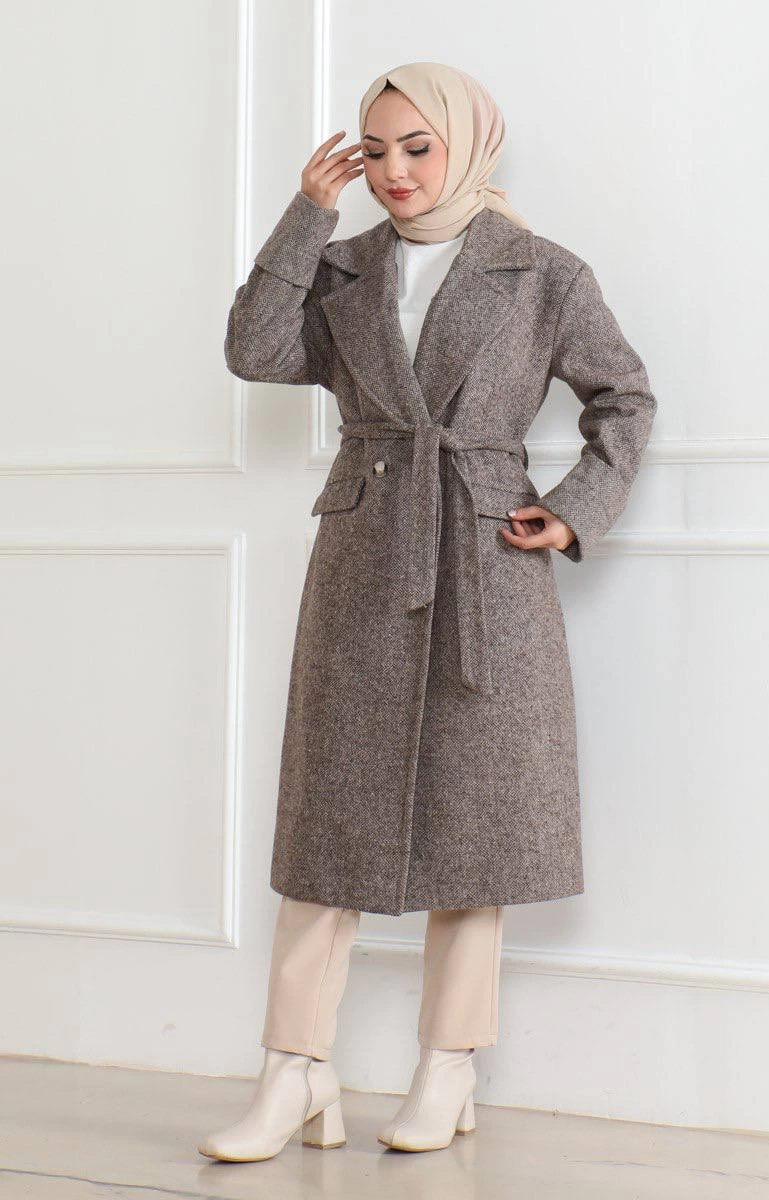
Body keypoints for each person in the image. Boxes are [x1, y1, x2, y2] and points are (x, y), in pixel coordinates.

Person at [199, 61, 657, 1161]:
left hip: (487, 558)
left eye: (418, 146)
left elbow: (625, 396)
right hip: (365, 550)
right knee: (326, 819)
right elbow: (254, 352)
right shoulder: (341, 263)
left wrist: (571, 509)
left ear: (469, 144)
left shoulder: (541, 271)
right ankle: (294, 1070)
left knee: (473, 822)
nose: (394, 171)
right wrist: (306, 216)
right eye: (375, 151)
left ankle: (448, 1069)